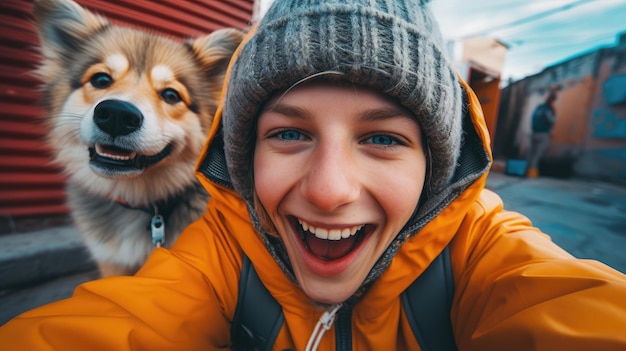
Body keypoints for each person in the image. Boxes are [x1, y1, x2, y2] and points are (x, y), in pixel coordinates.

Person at [2, 0, 626, 349]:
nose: (329, 190)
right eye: (290, 134)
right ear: (244, 154)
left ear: (435, 166)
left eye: (382, 138)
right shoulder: (218, 248)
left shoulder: (484, 248)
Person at [526, 88, 559, 177]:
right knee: (537, 155)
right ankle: (532, 174)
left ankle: (526, 171)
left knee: (532, 153)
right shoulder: (549, 109)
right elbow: (551, 121)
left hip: (534, 132)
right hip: (543, 134)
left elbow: (533, 118)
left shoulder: (539, 107)